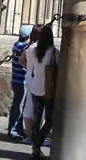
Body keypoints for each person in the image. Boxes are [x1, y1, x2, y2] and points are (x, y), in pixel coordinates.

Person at [25, 24, 58, 160]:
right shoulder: (54, 52)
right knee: (50, 120)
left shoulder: (33, 50)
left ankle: (35, 149)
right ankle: (37, 143)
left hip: (35, 88)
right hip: (48, 91)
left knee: (37, 119)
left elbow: (29, 66)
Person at [7, 24, 32, 140]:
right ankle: (13, 130)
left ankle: (18, 128)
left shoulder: (17, 45)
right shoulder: (24, 47)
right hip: (21, 81)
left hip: (17, 80)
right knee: (18, 106)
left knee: (20, 105)